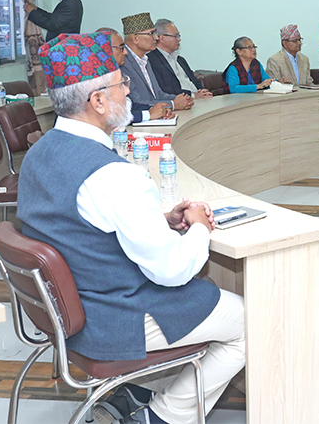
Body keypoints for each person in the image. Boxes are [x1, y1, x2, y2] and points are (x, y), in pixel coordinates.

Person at [22, 32, 245, 424]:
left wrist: (160, 221)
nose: (128, 90)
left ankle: (136, 391)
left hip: (63, 312)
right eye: (121, 83)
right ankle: (159, 417)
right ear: (97, 101)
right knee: (250, 321)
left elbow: (81, 227)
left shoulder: (38, 152)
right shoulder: (114, 175)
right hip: (113, 317)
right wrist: (198, 228)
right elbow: (173, 271)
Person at [96, 27, 173, 124]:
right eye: (121, 48)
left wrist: (159, 109)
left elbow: (129, 106)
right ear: (105, 50)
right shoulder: (95, 78)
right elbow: (107, 115)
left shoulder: (114, 71)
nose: (125, 52)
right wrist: (148, 114)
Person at [120, 13, 193, 111]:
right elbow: (136, 102)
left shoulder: (145, 60)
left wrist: (182, 99)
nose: (156, 38)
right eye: (151, 34)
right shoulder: (123, 63)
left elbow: (158, 95)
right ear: (135, 39)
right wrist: (173, 104)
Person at [148, 19, 213, 98]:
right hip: (180, 101)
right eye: (175, 36)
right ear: (162, 38)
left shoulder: (180, 59)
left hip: (198, 99)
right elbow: (163, 89)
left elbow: (195, 81)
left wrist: (204, 92)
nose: (179, 39)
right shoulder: (150, 60)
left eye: (178, 36)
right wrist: (193, 95)